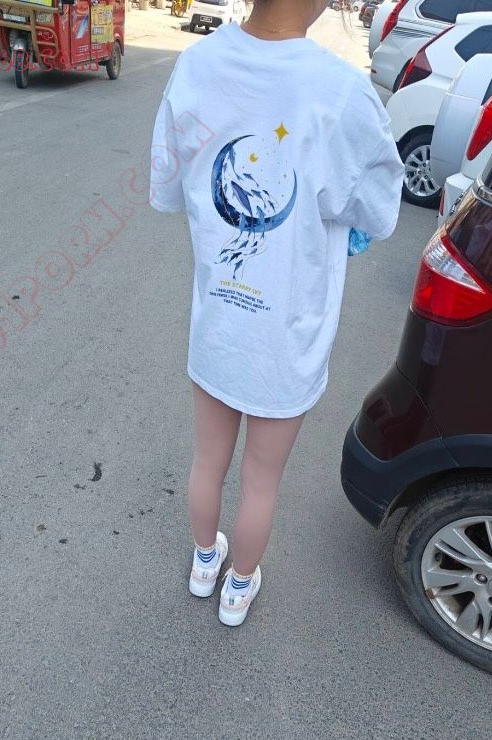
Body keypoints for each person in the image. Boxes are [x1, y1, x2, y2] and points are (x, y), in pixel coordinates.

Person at [150, 0, 403, 627]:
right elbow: (379, 208)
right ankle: (238, 587)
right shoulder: (341, 93)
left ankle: (204, 563)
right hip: (287, 339)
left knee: (207, 462)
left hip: (217, 324)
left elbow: (169, 186)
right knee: (260, 482)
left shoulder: (197, 66)